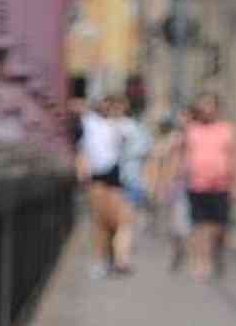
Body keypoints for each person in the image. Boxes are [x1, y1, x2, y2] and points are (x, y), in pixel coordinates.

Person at [76, 94, 141, 277]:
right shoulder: (93, 124)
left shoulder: (127, 126)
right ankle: (101, 259)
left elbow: (131, 143)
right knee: (101, 221)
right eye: (110, 105)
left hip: (120, 178)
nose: (113, 109)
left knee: (121, 221)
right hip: (99, 176)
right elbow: (84, 149)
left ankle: (117, 258)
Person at [183, 91, 236, 281]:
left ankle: (216, 255)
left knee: (219, 228)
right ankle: (202, 263)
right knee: (200, 226)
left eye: (209, 105)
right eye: (202, 105)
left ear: (217, 109)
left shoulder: (227, 129)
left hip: (221, 185)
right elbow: (183, 155)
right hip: (197, 185)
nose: (205, 109)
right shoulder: (191, 129)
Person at [146, 114, 191, 270]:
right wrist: (155, 186)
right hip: (169, 186)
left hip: (182, 186)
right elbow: (155, 163)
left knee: (180, 222)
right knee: (171, 224)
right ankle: (177, 250)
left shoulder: (181, 139)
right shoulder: (166, 142)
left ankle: (180, 251)